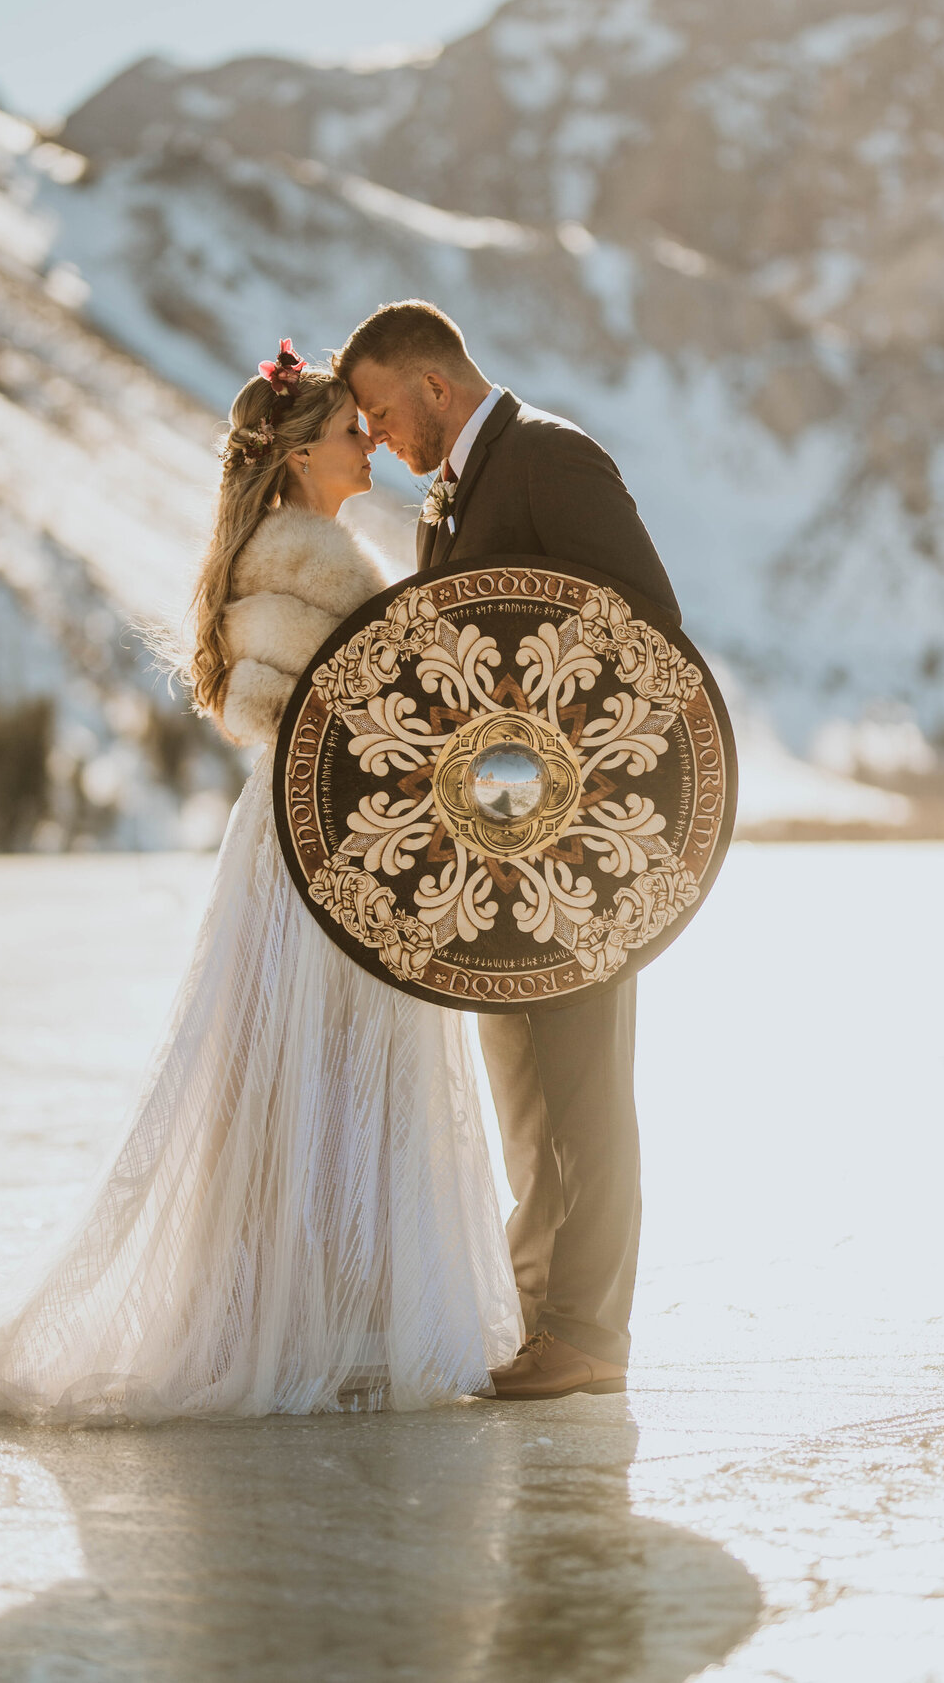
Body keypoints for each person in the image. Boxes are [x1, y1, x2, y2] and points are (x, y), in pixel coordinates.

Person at [0, 344, 521, 1422]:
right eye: (348, 428)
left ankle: (322, 1306)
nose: (369, 439)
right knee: (322, 1069)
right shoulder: (309, 558)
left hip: (310, 835)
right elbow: (342, 720)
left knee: (300, 1075)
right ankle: (331, 1316)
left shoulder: (294, 548)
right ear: (298, 455)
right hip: (326, 840)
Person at [337, 300, 681, 1402]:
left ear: (436, 387)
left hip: (580, 854)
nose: (380, 440)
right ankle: (544, 1323)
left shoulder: (550, 458)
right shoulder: (448, 502)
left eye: (385, 414)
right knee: (528, 1098)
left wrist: (570, 781)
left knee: (587, 1091)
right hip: (493, 854)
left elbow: (645, 632)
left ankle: (590, 1332)